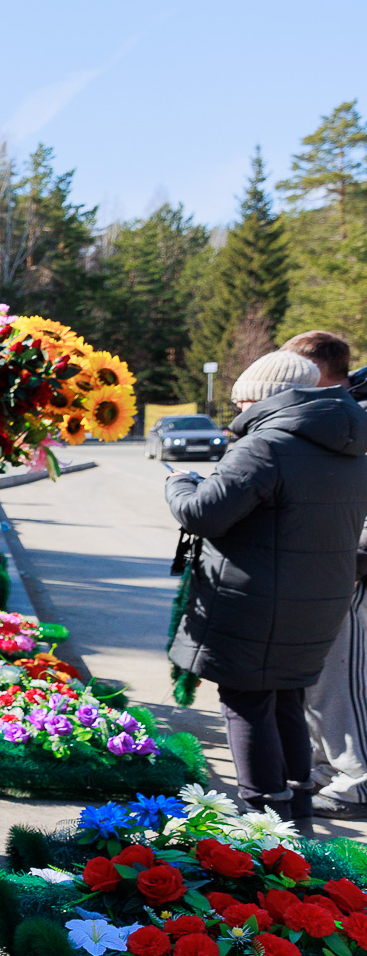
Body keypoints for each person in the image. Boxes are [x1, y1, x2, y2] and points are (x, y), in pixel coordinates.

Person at [168, 350, 367, 831]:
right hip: (317, 604)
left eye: (240, 403)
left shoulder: (266, 445)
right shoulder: (351, 444)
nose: (238, 413)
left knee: (246, 703)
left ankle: (260, 819)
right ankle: (295, 813)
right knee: (286, 702)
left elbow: (203, 513)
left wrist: (178, 484)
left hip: (256, 603)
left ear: (259, 397)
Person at [281, 333, 367, 818]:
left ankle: (357, 778)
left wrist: (355, 560)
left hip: (351, 570)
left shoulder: (357, 416)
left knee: (342, 679)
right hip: (326, 564)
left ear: (317, 370)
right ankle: (325, 762)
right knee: (316, 681)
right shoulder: (343, 410)